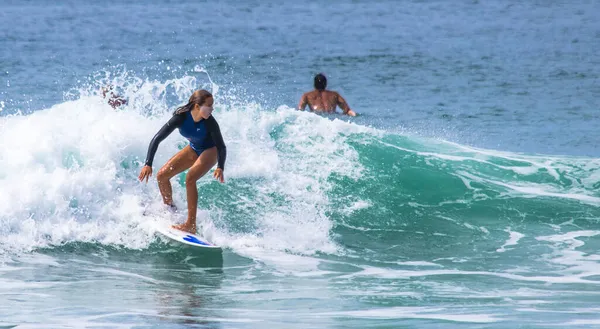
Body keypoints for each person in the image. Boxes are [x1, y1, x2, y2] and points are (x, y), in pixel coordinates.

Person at [138, 89, 226, 234]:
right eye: (209, 105)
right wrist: (148, 163)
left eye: (212, 105)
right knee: (162, 176)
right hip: (194, 148)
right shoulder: (180, 118)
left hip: (211, 150)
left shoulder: (210, 122)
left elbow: (221, 147)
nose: (212, 109)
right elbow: (157, 138)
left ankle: (191, 225)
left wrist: (220, 167)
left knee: (190, 178)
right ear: (197, 106)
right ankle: (170, 210)